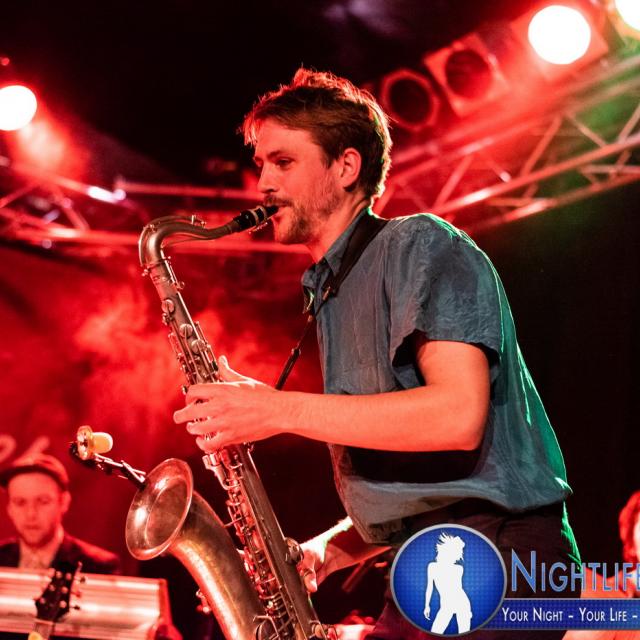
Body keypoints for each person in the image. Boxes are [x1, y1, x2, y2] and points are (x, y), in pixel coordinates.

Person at [173, 68, 580, 639]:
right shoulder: (331, 288)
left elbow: (456, 418)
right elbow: (423, 480)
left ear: (346, 167)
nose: (262, 182)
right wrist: (325, 553)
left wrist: (275, 409)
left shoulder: (418, 243)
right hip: (435, 555)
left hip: (502, 557)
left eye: (284, 162)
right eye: (261, 163)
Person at [0, 452, 120, 574]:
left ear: (63, 502)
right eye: (20, 502)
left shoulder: (98, 566)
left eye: (43, 501)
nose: (31, 514)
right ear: (9, 508)